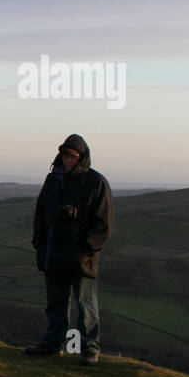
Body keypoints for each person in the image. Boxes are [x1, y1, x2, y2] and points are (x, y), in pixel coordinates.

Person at [26, 134, 114, 365]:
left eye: (73, 156)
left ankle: (90, 350)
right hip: (53, 252)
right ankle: (53, 344)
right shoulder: (53, 180)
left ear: (82, 158)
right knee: (56, 303)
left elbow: (103, 224)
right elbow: (41, 211)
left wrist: (86, 248)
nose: (68, 160)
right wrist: (39, 241)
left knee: (86, 306)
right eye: (65, 155)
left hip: (81, 258)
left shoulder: (96, 182)